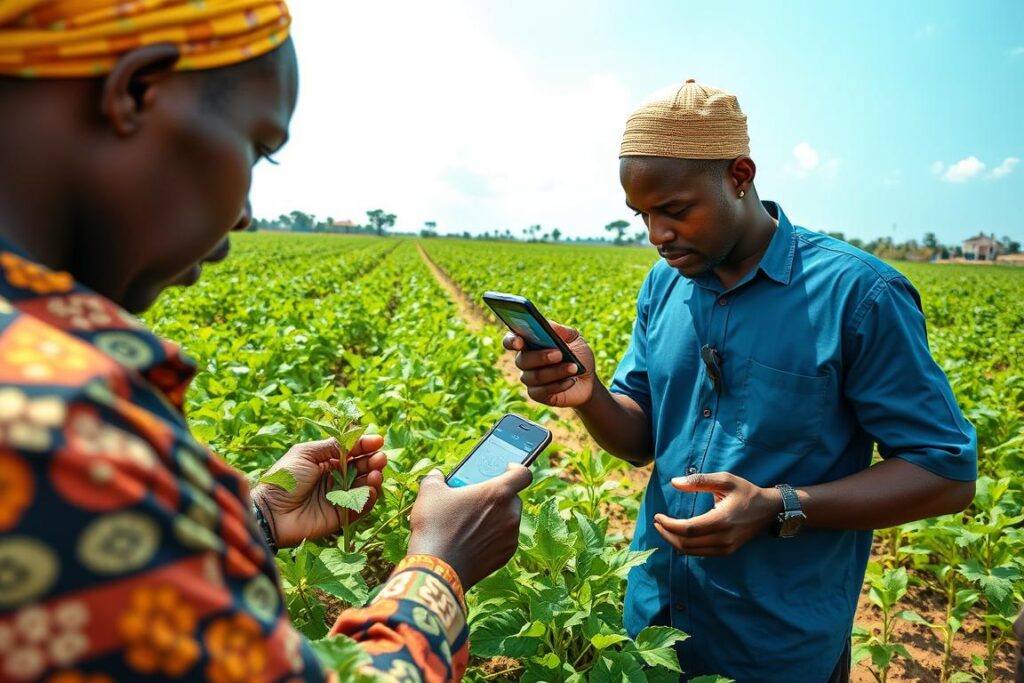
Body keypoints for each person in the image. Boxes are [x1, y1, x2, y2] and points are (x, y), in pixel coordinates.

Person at [0, 2, 530, 681]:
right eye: (257, 147)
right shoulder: (58, 426)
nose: (248, 211)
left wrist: (257, 517)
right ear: (136, 92)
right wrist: (438, 565)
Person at [503, 79, 978, 682]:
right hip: (653, 622)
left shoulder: (858, 296)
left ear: (740, 175)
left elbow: (945, 473)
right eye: (642, 216)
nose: (657, 236)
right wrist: (590, 394)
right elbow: (640, 437)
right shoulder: (665, 284)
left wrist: (780, 506)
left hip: (777, 645)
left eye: (675, 211)